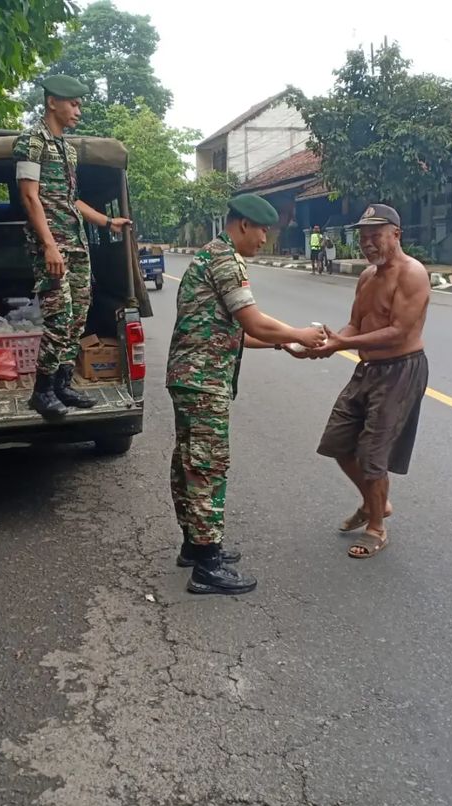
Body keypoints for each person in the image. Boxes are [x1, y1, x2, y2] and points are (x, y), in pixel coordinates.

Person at [167, 194, 326, 595]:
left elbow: (231, 330)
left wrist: (281, 344)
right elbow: (252, 319)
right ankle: (207, 565)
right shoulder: (226, 260)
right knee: (207, 466)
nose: (264, 239)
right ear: (242, 226)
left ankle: (194, 543)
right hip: (203, 382)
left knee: (189, 460)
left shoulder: (210, 255)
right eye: (261, 231)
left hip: (191, 377)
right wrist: (298, 333)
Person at [296, 204, 430, 560]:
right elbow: (357, 324)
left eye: (376, 235)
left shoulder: (412, 274)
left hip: (401, 369)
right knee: (338, 444)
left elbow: (399, 332)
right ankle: (378, 505)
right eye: (363, 236)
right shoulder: (367, 277)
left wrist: (343, 343)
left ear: (396, 234)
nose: (368, 243)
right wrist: (327, 344)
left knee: (373, 454)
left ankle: (376, 527)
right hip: (368, 370)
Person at [13, 74, 132, 418]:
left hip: (76, 245)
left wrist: (107, 222)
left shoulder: (66, 148)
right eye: (73, 103)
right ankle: (42, 390)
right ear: (53, 102)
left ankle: (63, 383)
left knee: (78, 316)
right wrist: (49, 246)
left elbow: (71, 200)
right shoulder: (31, 141)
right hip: (52, 246)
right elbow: (28, 196)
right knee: (59, 317)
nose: (78, 110)